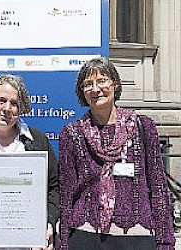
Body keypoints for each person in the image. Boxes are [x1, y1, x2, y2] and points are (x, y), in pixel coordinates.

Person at [58, 57, 175, 249]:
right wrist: (63, 243)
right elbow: (66, 193)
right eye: (88, 84)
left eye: (102, 80)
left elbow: (158, 188)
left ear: (115, 84)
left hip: (137, 236)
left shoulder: (143, 127)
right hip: (85, 235)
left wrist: (166, 242)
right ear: (82, 92)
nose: (96, 89)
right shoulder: (72, 134)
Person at [0, 74, 60, 250]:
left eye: (14, 103)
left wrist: (49, 223)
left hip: (29, 245)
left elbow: (54, 188)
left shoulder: (38, 142)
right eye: (1, 100)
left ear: (21, 108)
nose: (7, 108)